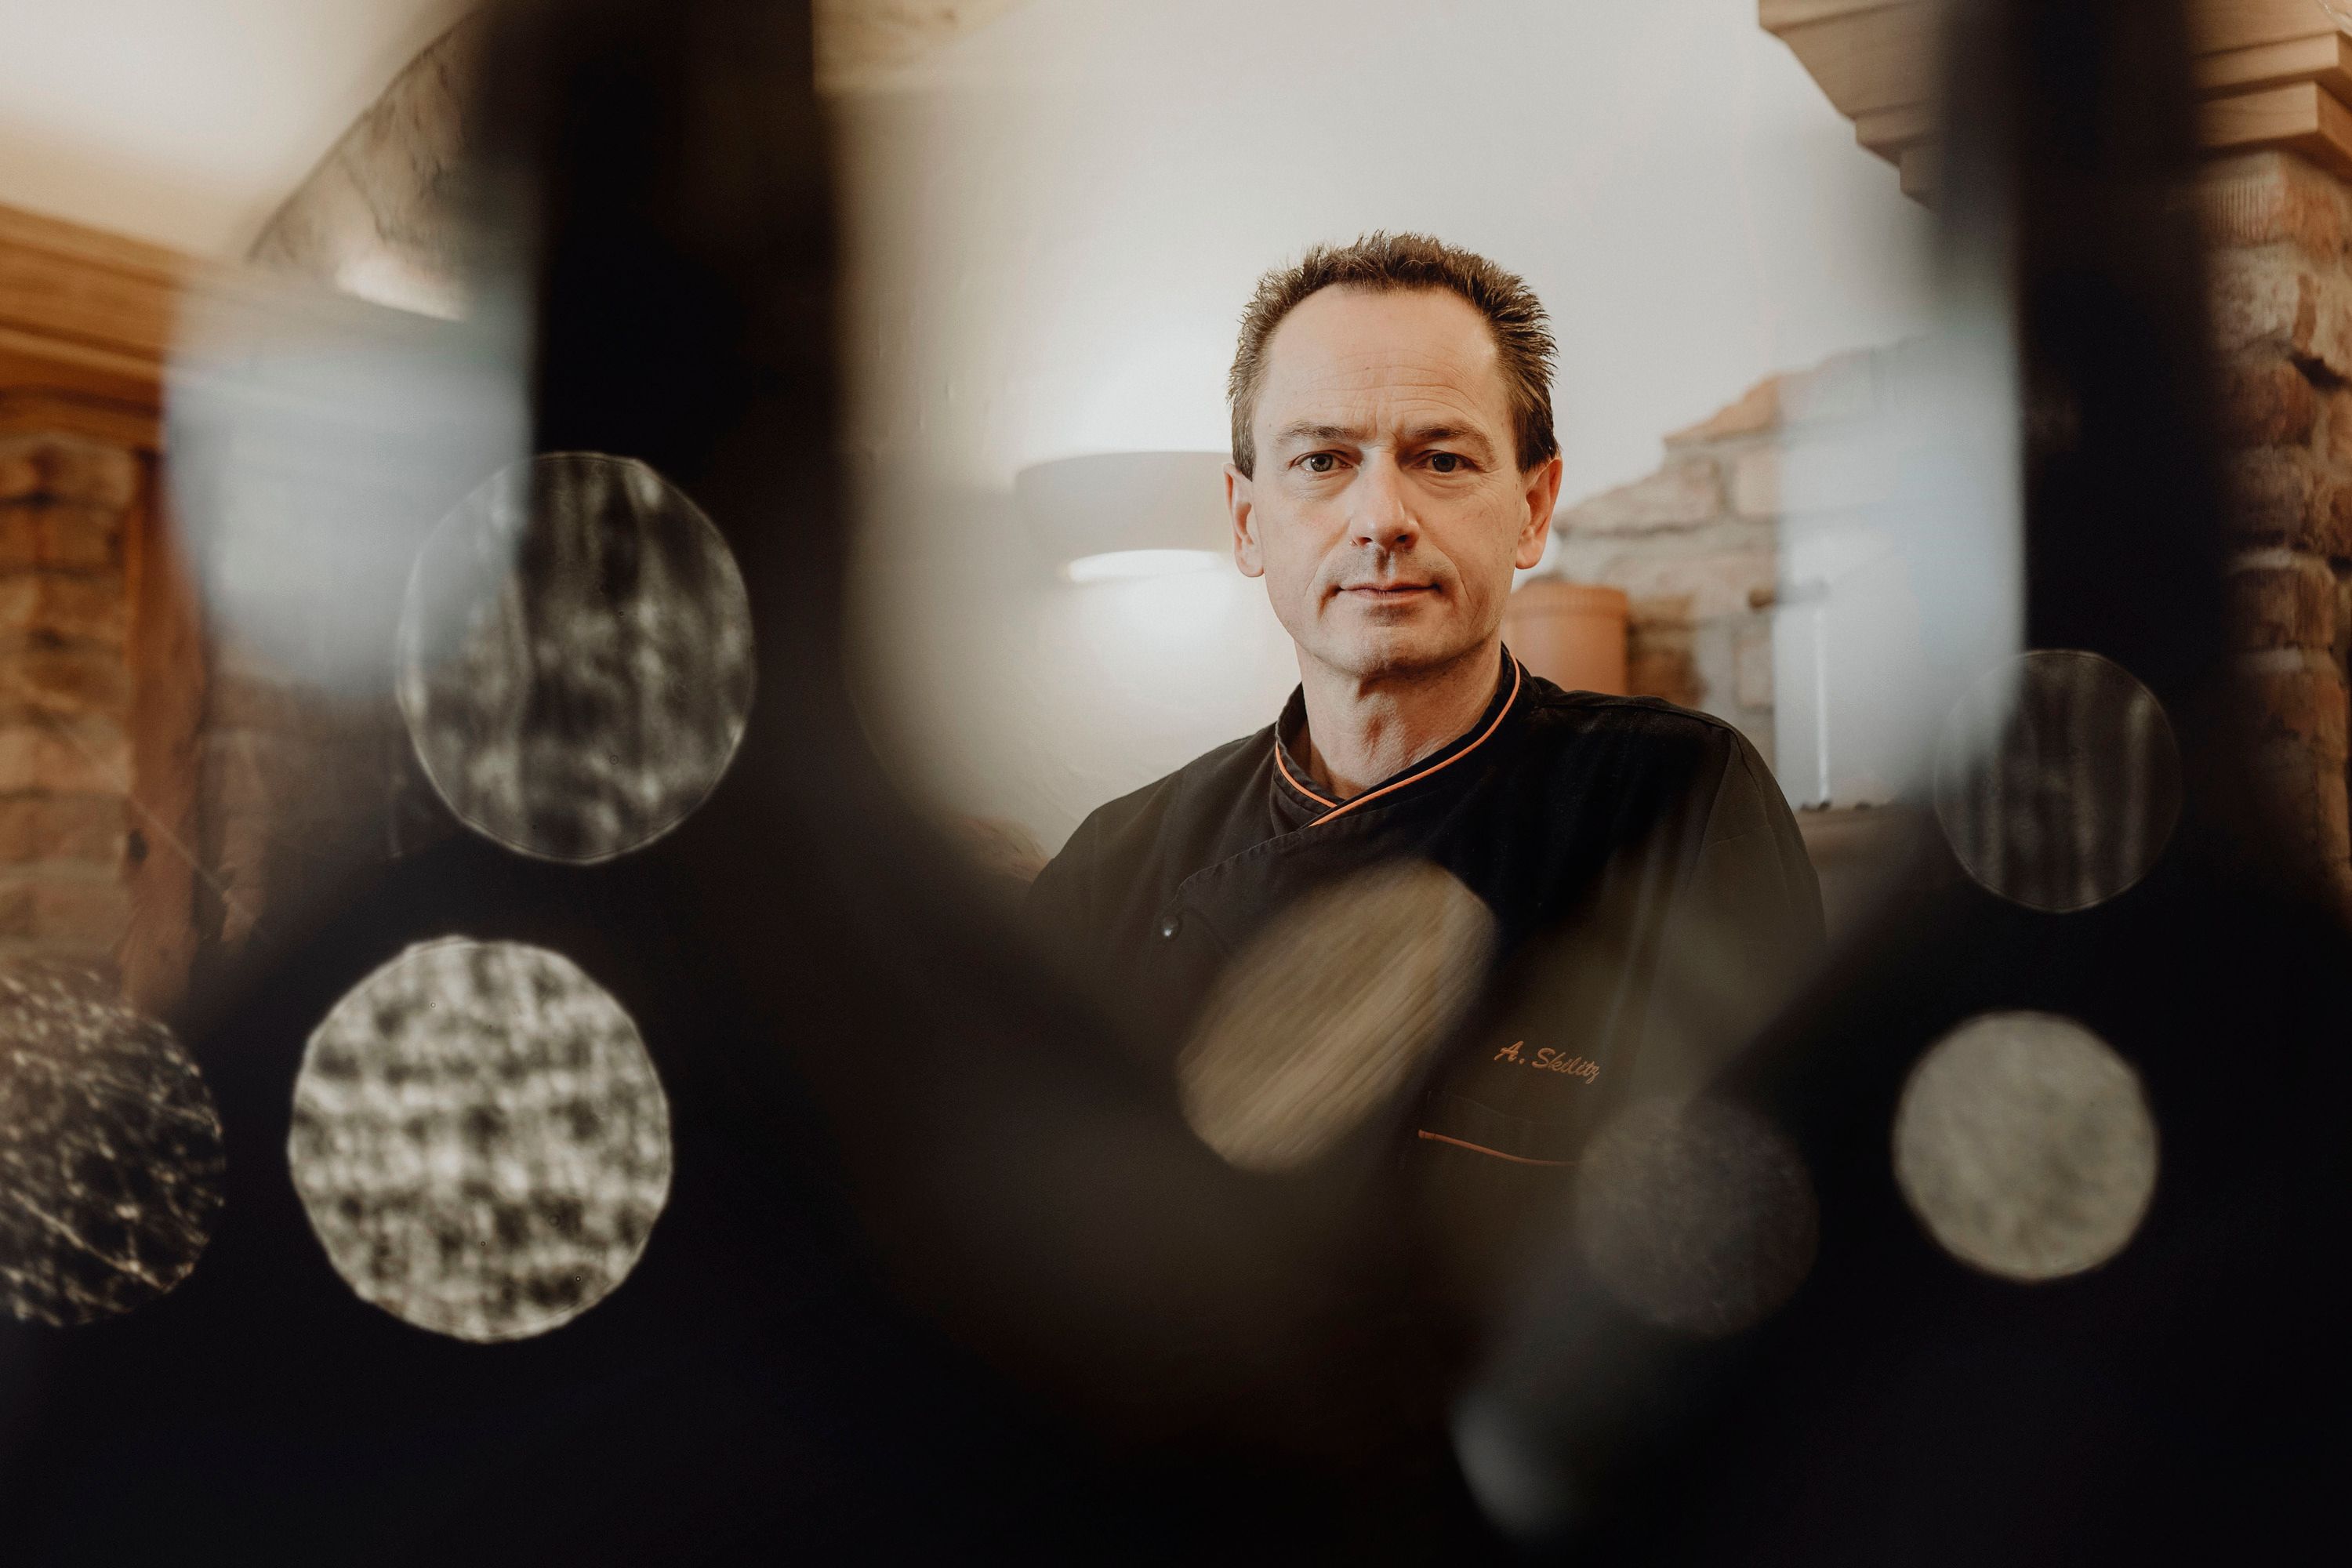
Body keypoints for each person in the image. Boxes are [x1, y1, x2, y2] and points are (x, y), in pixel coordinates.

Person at [1026, 232, 1821, 1188]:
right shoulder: (1111, 871)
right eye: (1323, 460)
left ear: (1532, 507)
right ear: (1246, 522)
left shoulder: (1676, 800)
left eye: (1440, 459)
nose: (1381, 517)